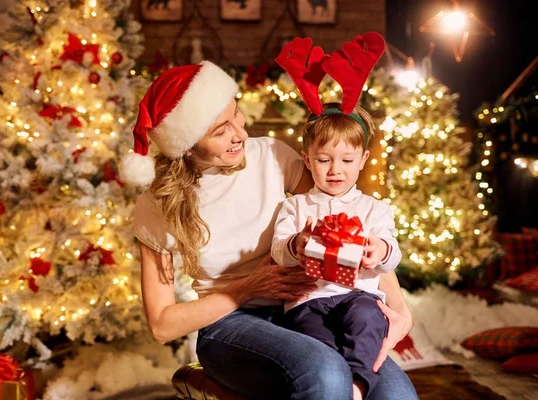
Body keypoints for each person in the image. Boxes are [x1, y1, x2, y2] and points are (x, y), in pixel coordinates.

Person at [122, 58, 418, 399]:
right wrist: (244, 289)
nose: (241, 133)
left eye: (236, 114)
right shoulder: (158, 203)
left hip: (308, 307)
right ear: (187, 145)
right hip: (230, 326)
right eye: (221, 131)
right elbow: (162, 324)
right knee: (325, 373)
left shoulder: (272, 155)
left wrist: (400, 313)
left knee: (396, 395)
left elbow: (345, 226)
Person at [271, 101, 402, 400]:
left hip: (359, 296)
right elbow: (279, 250)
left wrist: (380, 250)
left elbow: (392, 256)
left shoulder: (375, 209)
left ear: (363, 159)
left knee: (369, 320)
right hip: (308, 300)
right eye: (324, 160)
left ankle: (357, 387)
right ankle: (333, 385)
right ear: (306, 159)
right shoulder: (295, 205)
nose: (335, 170)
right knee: (318, 346)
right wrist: (296, 244)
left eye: (346, 160)